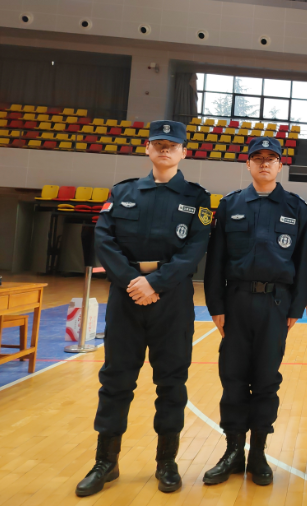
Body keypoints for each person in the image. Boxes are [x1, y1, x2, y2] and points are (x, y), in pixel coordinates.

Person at [76, 120, 212, 497]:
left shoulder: (197, 197)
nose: (165, 150)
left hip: (172, 300)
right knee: (115, 380)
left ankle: (166, 462)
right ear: (147, 148)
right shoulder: (122, 192)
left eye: (172, 145)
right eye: (158, 144)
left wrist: (155, 283)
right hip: (126, 297)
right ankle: (106, 461)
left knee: (171, 382)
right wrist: (132, 281)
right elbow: (104, 239)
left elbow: (195, 249)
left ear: (184, 152)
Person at [202, 136, 307, 487]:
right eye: (258, 158)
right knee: (232, 377)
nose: (264, 163)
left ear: (280, 165)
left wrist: (296, 307)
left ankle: (259, 452)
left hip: (276, 304)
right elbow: (215, 259)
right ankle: (233, 451)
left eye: (271, 158)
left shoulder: (296, 207)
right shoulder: (230, 204)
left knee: (266, 379)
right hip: (235, 303)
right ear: (247, 164)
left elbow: (303, 262)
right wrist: (215, 305)